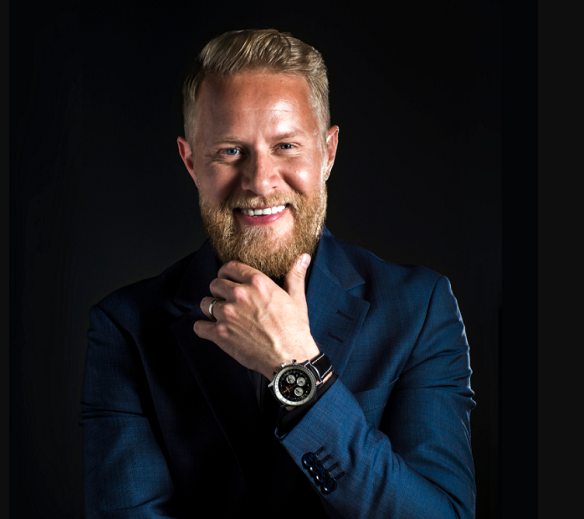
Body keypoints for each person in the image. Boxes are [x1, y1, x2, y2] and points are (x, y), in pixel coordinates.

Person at [80, 29, 476, 518]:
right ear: (190, 161)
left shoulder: (420, 309)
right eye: (230, 151)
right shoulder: (125, 328)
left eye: (286, 145)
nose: (260, 181)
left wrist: (298, 369)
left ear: (328, 152)